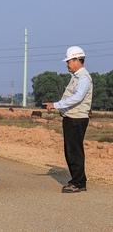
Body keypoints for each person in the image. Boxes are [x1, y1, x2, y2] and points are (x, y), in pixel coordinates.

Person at [43, 46, 93, 193]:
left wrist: (56, 105)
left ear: (77, 60)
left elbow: (77, 97)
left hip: (76, 119)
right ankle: (80, 181)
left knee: (74, 152)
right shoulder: (76, 77)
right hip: (72, 118)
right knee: (71, 151)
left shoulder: (83, 78)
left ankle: (76, 183)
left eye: (69, 61)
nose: (67, 64)